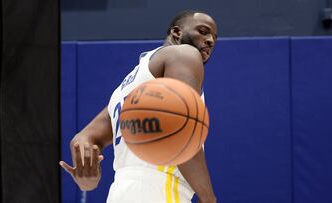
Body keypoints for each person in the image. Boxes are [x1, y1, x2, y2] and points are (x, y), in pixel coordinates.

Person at [60, 10, 218, 203]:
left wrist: (87, 177)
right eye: (203, 31)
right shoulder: (184, 54)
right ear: (176, 32)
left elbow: (83, 137)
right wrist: (208, 198)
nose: (210, 40)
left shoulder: (127, 86)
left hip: (121, 190)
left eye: (214, 37)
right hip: (160, 189)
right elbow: (181, 134)